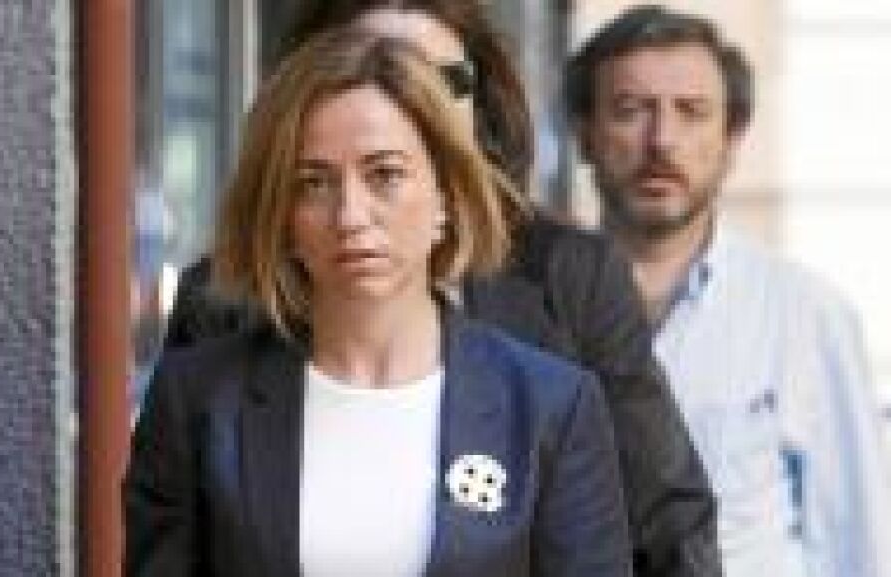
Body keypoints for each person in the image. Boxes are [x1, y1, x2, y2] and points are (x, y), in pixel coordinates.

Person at [163, 2, 720, 575]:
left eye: (437, 80)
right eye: (369, 70)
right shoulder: (221, 311)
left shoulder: (568, 286)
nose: (401, 99)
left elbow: (668, 524)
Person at [566, 5, 891, 577]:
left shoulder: (804, 314)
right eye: (631, 110)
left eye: (691, 112)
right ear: (584, 134)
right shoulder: (529, 307)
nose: (662, 140)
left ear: (732, 137)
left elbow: (859, 545)